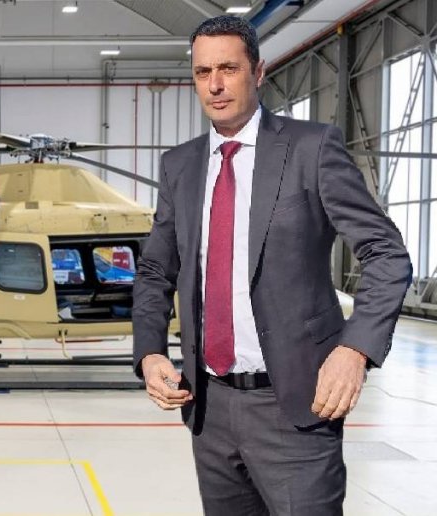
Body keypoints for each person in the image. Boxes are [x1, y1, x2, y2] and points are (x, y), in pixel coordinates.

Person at [131, 15, 412, 516]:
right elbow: (155, 270)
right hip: (209, 406)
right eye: (202, 72)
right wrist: (150, 352)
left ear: (258, 72)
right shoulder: (180, 165)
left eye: (228, 69)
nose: (215, 85)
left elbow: (386, 253)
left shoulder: (312, 148)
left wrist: (355, 350)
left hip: (296, 404)